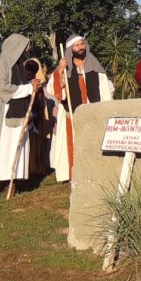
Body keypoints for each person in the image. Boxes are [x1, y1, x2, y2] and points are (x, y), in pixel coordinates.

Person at [0, 34, 41, 199]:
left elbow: (21, 85)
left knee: (15, 146)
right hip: (3, 111)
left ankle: (13, 181)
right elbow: (3, 88)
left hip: (18, 110)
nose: (26, 51)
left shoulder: (19, 64)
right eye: (24, 47)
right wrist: (28, 89)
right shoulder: (2, 62)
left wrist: (31, 86)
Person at [46, 35, 113, 182]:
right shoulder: (65, 69)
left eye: (82, 44)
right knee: (74, 143)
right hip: (72, 114)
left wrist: (105, 109)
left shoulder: (95, 66)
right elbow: (54, 91)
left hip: (93, 112)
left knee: (93, 141)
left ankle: (94, 171)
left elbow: (106, 89)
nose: (81, 47)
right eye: (76, 45)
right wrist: (59, 71)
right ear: (71, 50)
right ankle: (73, 174)